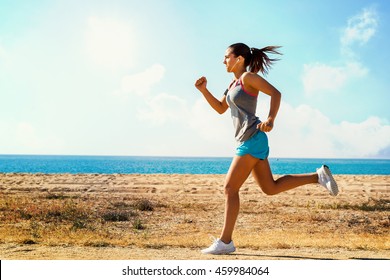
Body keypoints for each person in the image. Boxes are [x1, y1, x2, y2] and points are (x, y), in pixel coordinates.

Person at [194, 43, 339, 255]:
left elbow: (276, 93)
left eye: (226, 56)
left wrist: (271, 119)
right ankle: (317, 177)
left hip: (252, 138)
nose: (223, 61)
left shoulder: (248, 78)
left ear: (239, 59)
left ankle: (225, 241)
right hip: (249, 140)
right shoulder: (233, 83)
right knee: (270, 188)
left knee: (229, 189)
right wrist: (203, 90)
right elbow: (220, 108)